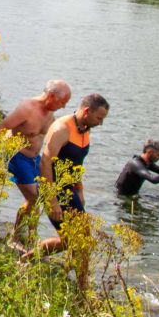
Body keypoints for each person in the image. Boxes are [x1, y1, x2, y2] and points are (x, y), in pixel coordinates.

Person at [30, 93, 110, 257]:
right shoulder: (62, 129)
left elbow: (76, 163)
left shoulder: (85, 130)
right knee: (76, 239)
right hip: (53, 189)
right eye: (99, 118)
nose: (100, 123)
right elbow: (45, 163)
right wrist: (52, 201)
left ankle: (29, 259)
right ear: (87, 111)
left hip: (69, 189)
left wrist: (80, 190)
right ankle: (81, 282)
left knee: (78, 239)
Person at [0, 80, 72, 243]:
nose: (63, 107)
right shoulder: (27, 108)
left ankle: (29, 237)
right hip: (16, 155)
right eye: (62, 102)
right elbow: (0, 128)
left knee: (40, 196)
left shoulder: (51, 114)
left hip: (34, 159)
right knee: (34, 197)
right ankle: (19, 237)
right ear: (51, 96)